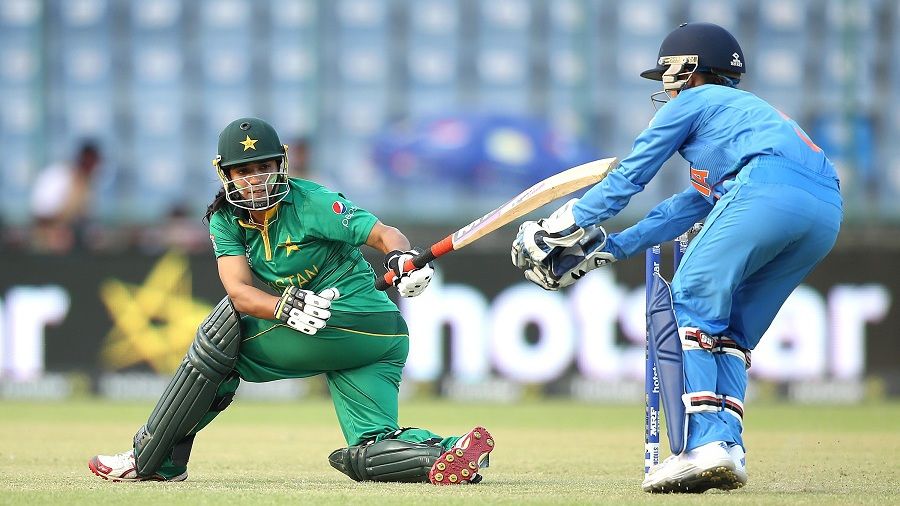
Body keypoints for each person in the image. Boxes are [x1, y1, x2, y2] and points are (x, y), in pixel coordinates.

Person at [511, 22, 841, 493]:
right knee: (731, 332)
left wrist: (565, 224)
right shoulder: (748, 117)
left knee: (688, 300)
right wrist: (610, 248)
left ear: (685, 69)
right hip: (825, 210)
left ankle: (704, 443)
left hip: (764, 191)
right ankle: (726, 448)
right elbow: (687, 206)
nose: (664, 87)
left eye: (665, 74)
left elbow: (630, 175)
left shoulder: (694, 102)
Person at [88, 117, 494, 485]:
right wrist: (283, 307)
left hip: (355, 318)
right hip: (368, 348)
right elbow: (239, 291)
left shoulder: (313, 201)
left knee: (218, 345)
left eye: (263, 167)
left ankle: (153, 460)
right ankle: (448, 452)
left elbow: (384, 234)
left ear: (281, 164)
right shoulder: (225, 218)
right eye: (244, 171)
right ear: (225, 174)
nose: (256, 179)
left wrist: (401, 257)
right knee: (370, 450)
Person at [29, 141, 102, 253]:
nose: (93, 167)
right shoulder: (57, 176)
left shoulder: (88, 186)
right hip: (47, 245)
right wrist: (58, 232)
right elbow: (41, 214)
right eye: (90, 161)